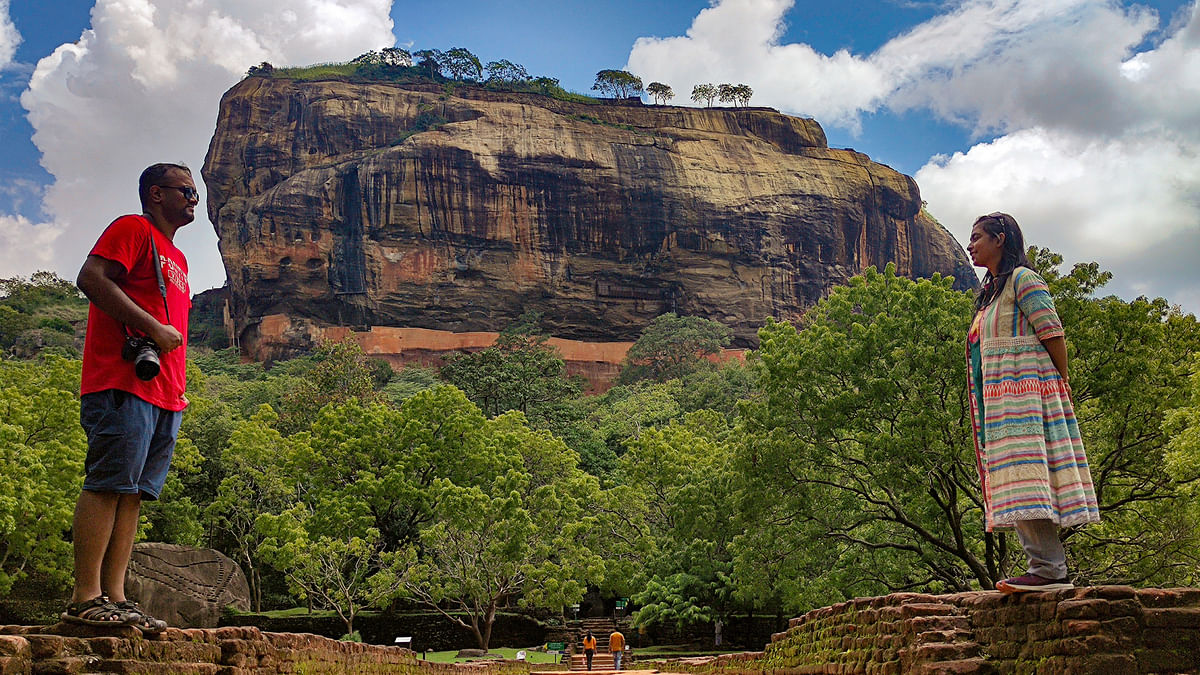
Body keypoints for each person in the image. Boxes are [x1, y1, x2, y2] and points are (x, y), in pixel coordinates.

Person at [62, 163, 196, 632]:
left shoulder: (178, 259)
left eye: (195, 193)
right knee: (107, 483)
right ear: (156, 194)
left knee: (134, 493)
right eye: (185, 191)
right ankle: (85, 597)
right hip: (121, 382)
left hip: (165, 393)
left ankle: (115, 597)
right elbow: (92, 277)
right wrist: (152, 328)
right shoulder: (132, 228)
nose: (194, 200)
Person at [964, 212, 1100, 593]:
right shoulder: (991, 292)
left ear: (1001, 238)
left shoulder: (1023, 279)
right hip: (1000, 399)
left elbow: (1052, 332)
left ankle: (1048, 569)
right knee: (1015, 476)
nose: (970, 245)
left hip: (1027, 391)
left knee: (1029, 474)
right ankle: (1043, 567)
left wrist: (1062, 382)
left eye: (977, 237)